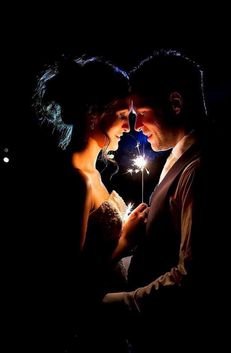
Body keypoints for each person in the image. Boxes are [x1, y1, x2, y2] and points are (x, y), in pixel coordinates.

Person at [102, 49, 220, 351]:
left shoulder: (200, 169)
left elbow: (191, 278)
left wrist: (115, 303)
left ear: (176, 104)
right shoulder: (180, 157)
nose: (135, 126)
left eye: (141, 113)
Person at [33, 55, 148, 352]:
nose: (129, 126)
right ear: (94, 112)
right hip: (86, 331)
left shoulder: (93, 173)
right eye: (123, 114)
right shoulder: (75, 180)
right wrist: (126, 238)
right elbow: (70, 278)